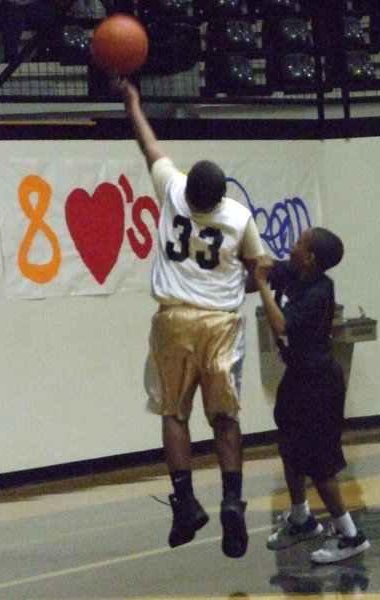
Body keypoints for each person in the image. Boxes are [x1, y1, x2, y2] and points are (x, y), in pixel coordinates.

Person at [118, 77, 270, 559]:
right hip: (222, 325)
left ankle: (185, 502)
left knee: (173, 414)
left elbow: (148, 144)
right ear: (221, 196)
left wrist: (133, 102)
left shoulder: (173, 188)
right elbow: (255, 273)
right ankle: (231, 502)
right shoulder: (240, 218)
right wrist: (240, 279)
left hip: (174, 322)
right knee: (225, 416)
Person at [250, 227, 370, 564]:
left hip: (320, 385)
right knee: (289, 446)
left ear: (310, 256)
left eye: (300, 241)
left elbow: (281, 326)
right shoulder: (296, 272)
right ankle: (301, 518)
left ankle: (350, 535)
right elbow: (261, 267)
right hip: (298, 379)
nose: (293, 243)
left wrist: (261, 285)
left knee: (320, 463)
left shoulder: (319, 291)